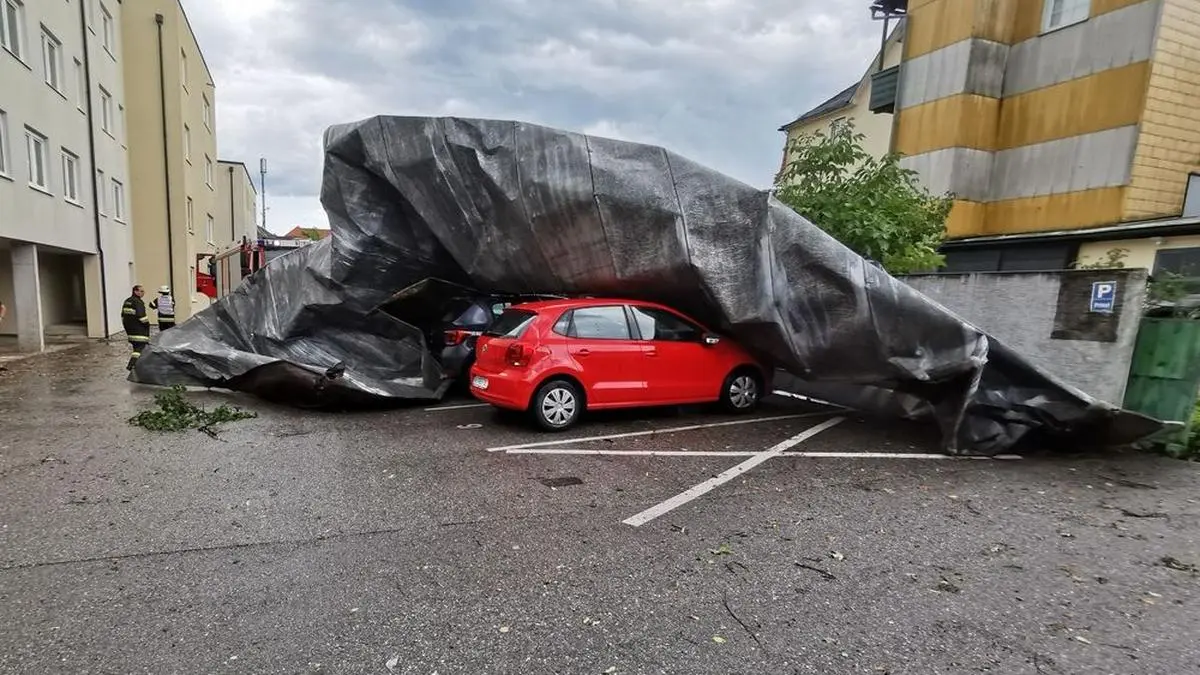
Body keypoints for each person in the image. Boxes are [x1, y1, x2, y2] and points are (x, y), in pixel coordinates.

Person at [121, 285, 150, 370]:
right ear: (135, 291)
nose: (143, 293)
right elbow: (142, 316)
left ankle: (139, 366)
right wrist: (147, 325)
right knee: (140, 348)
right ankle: (131, 365)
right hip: (139, 330)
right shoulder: (137, 302)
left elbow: (123, 315)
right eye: (141, 291)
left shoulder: (127, 301)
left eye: (143, 291)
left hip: (130, 330)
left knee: (136, 347)